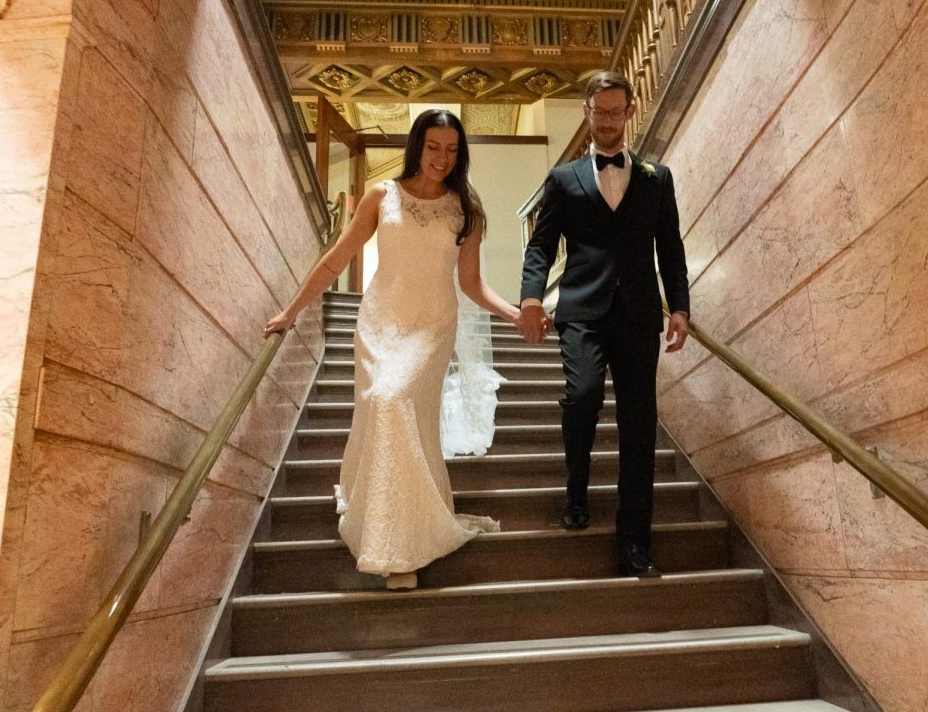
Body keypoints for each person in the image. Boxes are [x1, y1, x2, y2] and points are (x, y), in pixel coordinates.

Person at [265, 109, 522, 591]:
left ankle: (400, 548)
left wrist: (513, 314)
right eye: (432, 147)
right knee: (384, 407)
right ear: (417, 146)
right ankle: (389, 525)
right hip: (381, 322)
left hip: (431, 326)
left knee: (394, 402)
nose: (441, 158)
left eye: (450, 149)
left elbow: (471, 283)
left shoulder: (466, 210)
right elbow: (336, 258)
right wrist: (291, 311)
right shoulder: (382, 195)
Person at [518, 70, 690, 579]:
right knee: (585, 395)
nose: (609, 121)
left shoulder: (658, 178)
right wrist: (531, 297)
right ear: (587, 113)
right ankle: (576, 489)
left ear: (629, 112)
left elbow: (671, 248)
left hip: (639, 314)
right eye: (600, 112)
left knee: (639, 425)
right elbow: (541, 246)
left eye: (617, 112)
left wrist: (678, 306)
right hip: (581, 312)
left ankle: (634, 541)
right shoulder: (563, 178)